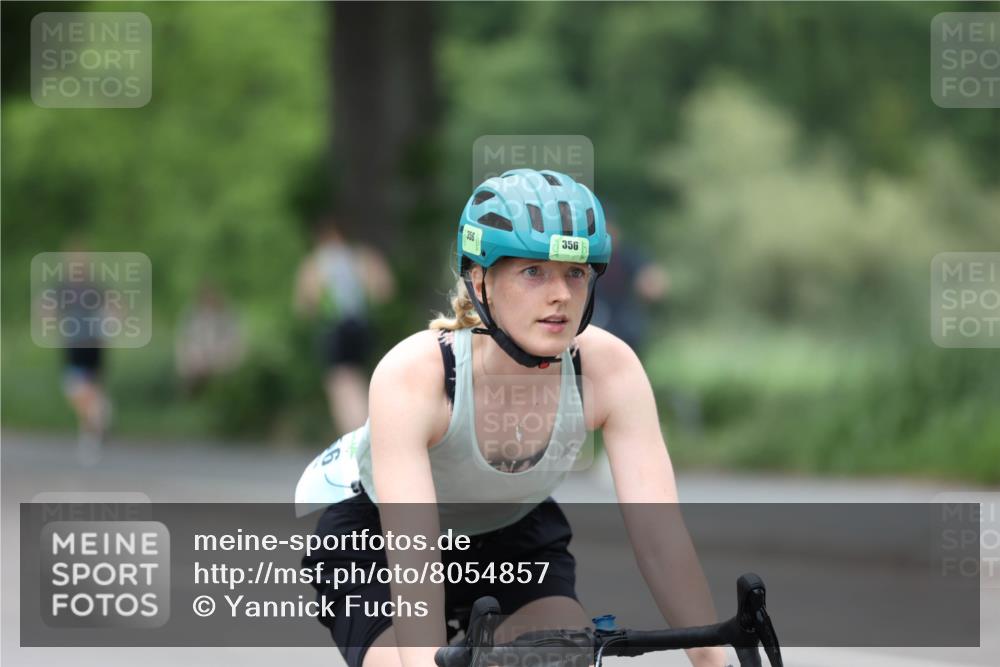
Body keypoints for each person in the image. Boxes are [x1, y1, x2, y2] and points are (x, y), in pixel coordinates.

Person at [299, 169, 727, 667]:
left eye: (575, 273)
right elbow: (414, 560)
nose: (561, 295)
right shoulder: (416, 375)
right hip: (377, 540)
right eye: (533, 272)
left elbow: (660, 539)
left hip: (513, 533)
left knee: (559, 655)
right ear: (481, 279)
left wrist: (712, 660)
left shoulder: (609, 369)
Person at [294, 217, 395, 433]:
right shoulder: (361, 257)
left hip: (335, 328)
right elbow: (384, 290)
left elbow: (306, 300)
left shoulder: (319, 261)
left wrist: (313, 313)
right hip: (361, 326)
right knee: (357, 379)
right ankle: (368, 428)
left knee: (339, 385)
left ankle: (355, 435)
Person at [174, 281, 245, 395]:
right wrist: (197, 355)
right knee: (194, 363)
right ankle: (193, 394)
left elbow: (234, 338)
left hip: (221, 353)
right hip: (198, 356)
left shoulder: (227, 314)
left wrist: (219, 353)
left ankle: (220, 393)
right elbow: (186, 339)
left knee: (222, 364)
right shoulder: (191, 314)